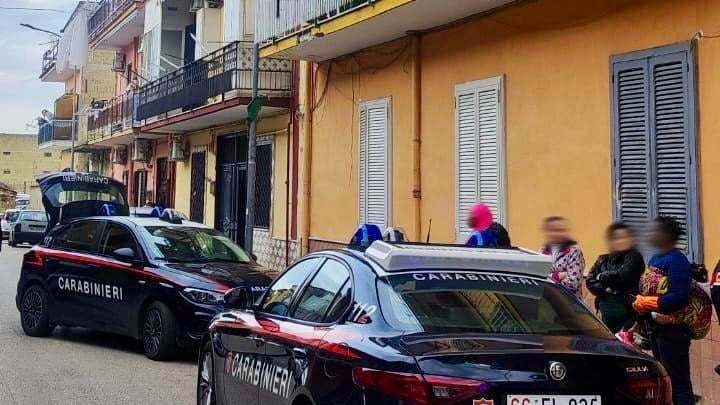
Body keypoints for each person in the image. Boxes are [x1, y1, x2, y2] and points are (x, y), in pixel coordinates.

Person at [632, 217, 694, 405]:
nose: (650, 234)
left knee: (678, 380)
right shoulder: (655, 258)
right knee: (664, 377)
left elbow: (679, 296)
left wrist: (650, 303)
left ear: (666, 235)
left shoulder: (677, 261)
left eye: (655, 231)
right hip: (655, 328)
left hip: (673, 330)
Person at [586, 223, 645, 333]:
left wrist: (601, 276)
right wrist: (606, 289)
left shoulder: (634, 257)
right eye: (616, 238)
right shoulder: (603, 259)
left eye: (624, 237)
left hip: (628, 310)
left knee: (626, 339)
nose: (620, 241)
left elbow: (624, 275)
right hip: (606, 311)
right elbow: (590, 281)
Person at [540, 216, 585, 296]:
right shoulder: (542, 251)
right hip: (546, 300)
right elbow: (538, 277)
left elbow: (573, 284)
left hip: (567, 301)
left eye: (560, 230)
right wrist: (557, 276)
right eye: (552, 230)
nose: (556, 233)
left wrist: (548, 280)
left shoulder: (574, 251)